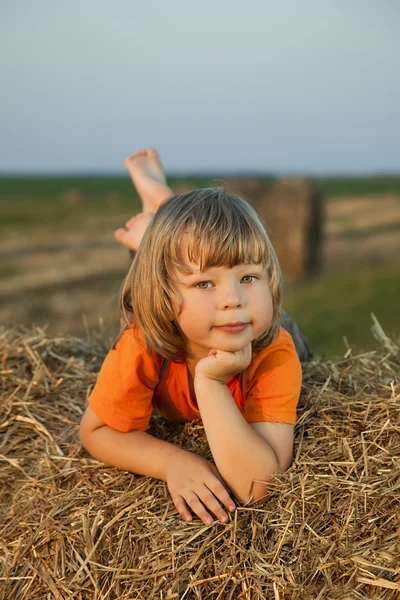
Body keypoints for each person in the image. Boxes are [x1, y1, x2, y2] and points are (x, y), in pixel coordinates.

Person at [80, 148, 311, 528]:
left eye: (250, 277)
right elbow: (95, 431)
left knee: (270, 321)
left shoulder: (275, 352)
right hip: (171, 312)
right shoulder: (143, 343)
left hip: (267, 332)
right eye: (206, 283)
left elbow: (257, 485)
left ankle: (162, 222)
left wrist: (209, 382)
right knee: (157, 276)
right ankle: (159, 221)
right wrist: (174, 462)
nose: (233, 299)